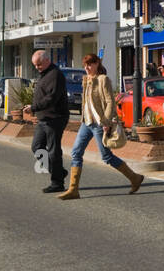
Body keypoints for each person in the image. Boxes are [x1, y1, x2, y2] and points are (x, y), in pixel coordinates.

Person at [60, 54, 144, 199]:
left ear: (97, 64)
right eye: (85, 65)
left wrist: (106, 121)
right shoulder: (86, 80)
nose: (87, 67)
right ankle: (73, 189)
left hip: (99, 124)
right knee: (76, 152)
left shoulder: (102, 79)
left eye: (90, 64)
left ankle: (135, 178)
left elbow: (110, 102)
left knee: (106, 156)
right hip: (87, 122)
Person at [25, 49, 69, 194]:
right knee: (37, 147)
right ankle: (58, 172)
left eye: (39, 65)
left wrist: (34, 107)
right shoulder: (44, 74)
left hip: (55, 118)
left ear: (46, 61)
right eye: (35, 65)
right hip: (43, 118)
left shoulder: (55, 75)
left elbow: (51, 98)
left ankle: (57, 183)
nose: (37, 68)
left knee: (53, 151)